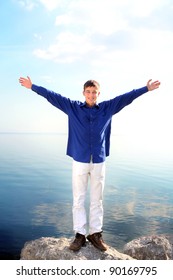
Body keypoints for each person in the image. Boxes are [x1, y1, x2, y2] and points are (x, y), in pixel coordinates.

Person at [19, 76, 160, 251]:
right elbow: (52, 96)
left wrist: (145, 89)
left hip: (99, 161)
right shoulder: (73, 107)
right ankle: (79, 235)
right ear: (83, 93)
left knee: (97, 200)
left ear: (98, 93)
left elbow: (126, 98)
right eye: (88, 92)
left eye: (94, 92)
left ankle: (95, 234)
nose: (91, 95)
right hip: (79, 160)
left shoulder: (107, 108)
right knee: (78, 199)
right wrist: (33, 86)